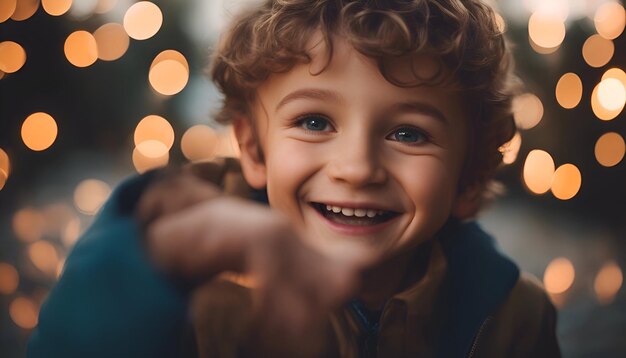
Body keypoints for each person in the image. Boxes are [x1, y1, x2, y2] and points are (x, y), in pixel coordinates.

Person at [28, 0, 561, 357]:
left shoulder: (512, 317)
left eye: (408, 134)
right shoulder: (195, 290)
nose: (356, 168)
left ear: (469, 176)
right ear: (254, 147)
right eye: (313, 122)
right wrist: (165, 256)